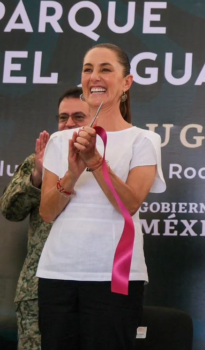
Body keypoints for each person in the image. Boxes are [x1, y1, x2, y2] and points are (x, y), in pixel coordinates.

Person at [37, 43, 166, 350]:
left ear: (126, 82)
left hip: (115, 278)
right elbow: (47, 213)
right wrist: (72, 172)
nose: (94, 76)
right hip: (57, 275)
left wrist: (95, 163)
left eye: (106, 69)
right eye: (88, 69)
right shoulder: (60, 140)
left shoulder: (144, 140)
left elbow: (130, 202)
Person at [0, 87, 91, 350]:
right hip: (38, 291)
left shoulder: (105, 163)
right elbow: (9, 210)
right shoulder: (38, 162)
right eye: (63, 117)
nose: (69, 123)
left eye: (78, 117)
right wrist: (38, 176)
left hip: (91, 287)